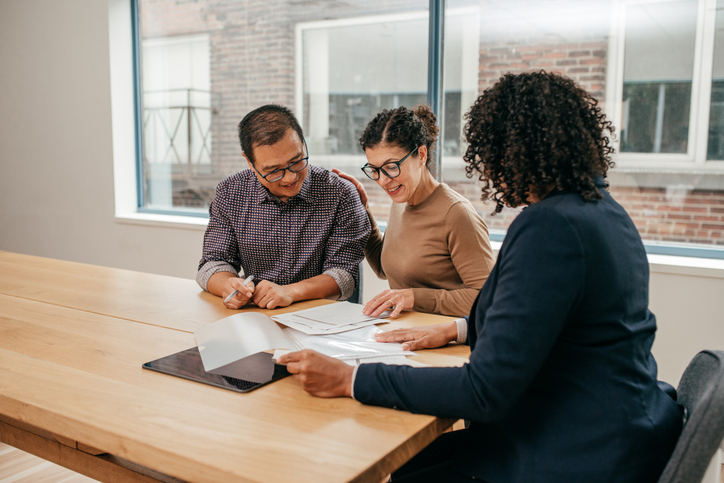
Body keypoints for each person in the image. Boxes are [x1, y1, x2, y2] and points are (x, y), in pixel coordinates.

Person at [279, 72, 683, 482]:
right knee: (404, 463)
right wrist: (458, 330)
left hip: (574, 449)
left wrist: (353, 378)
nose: (489, 168)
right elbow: (545, 324)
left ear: (518, 151)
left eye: (491, 153)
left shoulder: (552, 227)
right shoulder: (602, 212)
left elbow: (483, 390)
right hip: (612, 424)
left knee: (391, 468)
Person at [197, 104, 370, 309]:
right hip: (259, 315)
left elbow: (344, 276)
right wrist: (227, 285)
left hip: (324, 318)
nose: (290, 177)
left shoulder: (341, 194)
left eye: (297, 161)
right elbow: (212, 263)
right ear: (250, 163)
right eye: (273, 171)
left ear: (303, 142)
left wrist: (290, 291)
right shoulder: (230, 192)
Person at [335, 105, 494, 318]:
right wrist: (362, 209)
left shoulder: (456, 214)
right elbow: (386, 268)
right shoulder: (401, 201)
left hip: (443, 343)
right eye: (374, 170)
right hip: (403, 334)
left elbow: (487, 299)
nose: (383, 180)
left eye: (391, 167)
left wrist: (414, 298)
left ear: (421, 155)